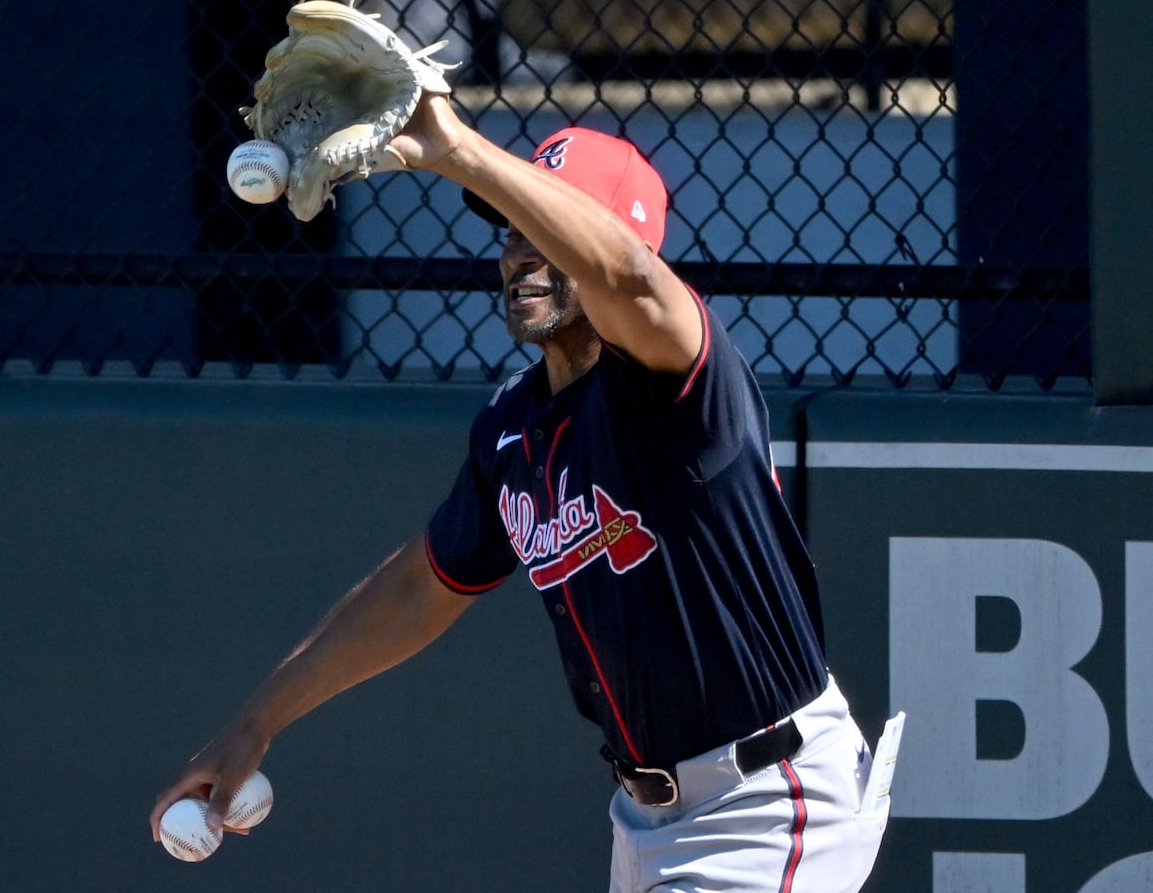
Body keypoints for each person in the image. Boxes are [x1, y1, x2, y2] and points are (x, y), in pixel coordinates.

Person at [150, 95, 892, 892]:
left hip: (765, 799)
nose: (519, 254)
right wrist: (254, 723)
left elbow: (630, 277)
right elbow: (416, 588)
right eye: (510, 230)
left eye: (543, 228)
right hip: (642, 821)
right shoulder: (513, 425)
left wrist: (458, 149)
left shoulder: (677, 378)